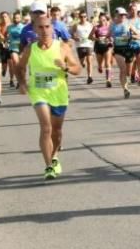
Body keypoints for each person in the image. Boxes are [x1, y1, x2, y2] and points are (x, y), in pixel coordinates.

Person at [18, 13, 81, 180]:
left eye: (47, 27)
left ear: (52, 28)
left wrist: (65, 67)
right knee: (46, 127)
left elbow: (77, 69)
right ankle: (48, 166)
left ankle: (54, 157)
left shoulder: (62, 47)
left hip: (59, 93)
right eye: (40, 27)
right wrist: (22, 83)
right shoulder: (30, 48)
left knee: (57, 131)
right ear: (34, 30)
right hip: (38, 93)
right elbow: (19, 67)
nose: (44, 30)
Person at [109, 8, 136, 98]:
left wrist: (131, 37)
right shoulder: (112, 25)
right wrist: (110, 40)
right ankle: (125, 89)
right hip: (118, 50)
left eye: (124, 14)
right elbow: (108, 36)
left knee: (128, 72)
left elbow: (138, 35)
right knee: (123, 69)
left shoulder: (128, 23)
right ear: (116, 15)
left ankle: (129, 78)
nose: (123, 16)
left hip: (128, 49)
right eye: (121, 15)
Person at [71, 11, 95, 84]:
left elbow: (94, 34)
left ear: (86, 17)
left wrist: (94, 37)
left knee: (89, 61)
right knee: (81, 63)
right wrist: (75, 38)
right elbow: (73, 35)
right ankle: (82, 63)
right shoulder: (76, 25)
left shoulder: (90, 25)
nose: (83, 18)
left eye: (84, 16)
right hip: (80, 45)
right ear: (79, 17)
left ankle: (89, 76)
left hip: (89, 44)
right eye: (81, 17)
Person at [91, 13, 113, 87]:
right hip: (98, 47)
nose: (102, 22)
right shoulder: (96, 28)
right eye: (100, 20)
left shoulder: (109, 28)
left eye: (103, 20)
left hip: (107, 46)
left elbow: (112, 37)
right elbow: (90, 37)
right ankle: (100, 66)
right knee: (100, 64)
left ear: (106, 20)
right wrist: (97, 39)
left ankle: (108, 80)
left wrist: (110, 39)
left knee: (107, 63)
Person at [5, 12, 25, 88]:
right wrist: (6, 41)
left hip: (21, 48)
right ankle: (18, 80)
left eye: (17, 18)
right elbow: (7, 36)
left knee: (22, 66)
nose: (16, 19)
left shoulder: (23, 27)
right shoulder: (9, 27)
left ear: (20, 19)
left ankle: (22, 80)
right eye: (14, 18)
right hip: (13, 48)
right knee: (15, 63)